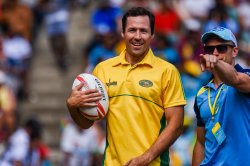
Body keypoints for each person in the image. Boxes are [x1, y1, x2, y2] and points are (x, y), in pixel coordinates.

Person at [67, 7, 186, 166]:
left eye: (143, 31)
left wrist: (145, 158)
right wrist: (72, 106)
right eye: (132, 30)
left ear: (152, 35)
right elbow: (86, 123)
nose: (137, 36)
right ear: (122, 33)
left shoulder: (167, 71)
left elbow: (176, 125)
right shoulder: (102, 69)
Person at [192, 26, 250, 166]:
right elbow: (200, 142)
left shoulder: (245, 77)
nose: (215, 53)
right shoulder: (202, 93)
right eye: (209, 49)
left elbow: (234, 79)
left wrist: (216, 63)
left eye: (222, 48)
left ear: (234, 51)